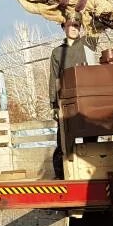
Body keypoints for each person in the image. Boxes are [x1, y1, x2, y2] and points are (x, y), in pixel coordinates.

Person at [49, 17, 88, 179]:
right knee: (63, 139)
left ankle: (88, 171)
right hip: (66, 101)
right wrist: (54, 105)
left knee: (90, 136)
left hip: (87, 99)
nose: (74, 28)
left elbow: (96, 25)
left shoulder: (88, 44)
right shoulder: (57, 52)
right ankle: (62, 175)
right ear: (63, 27)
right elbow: (54, 78)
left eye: (77, 25)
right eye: (70, 25)